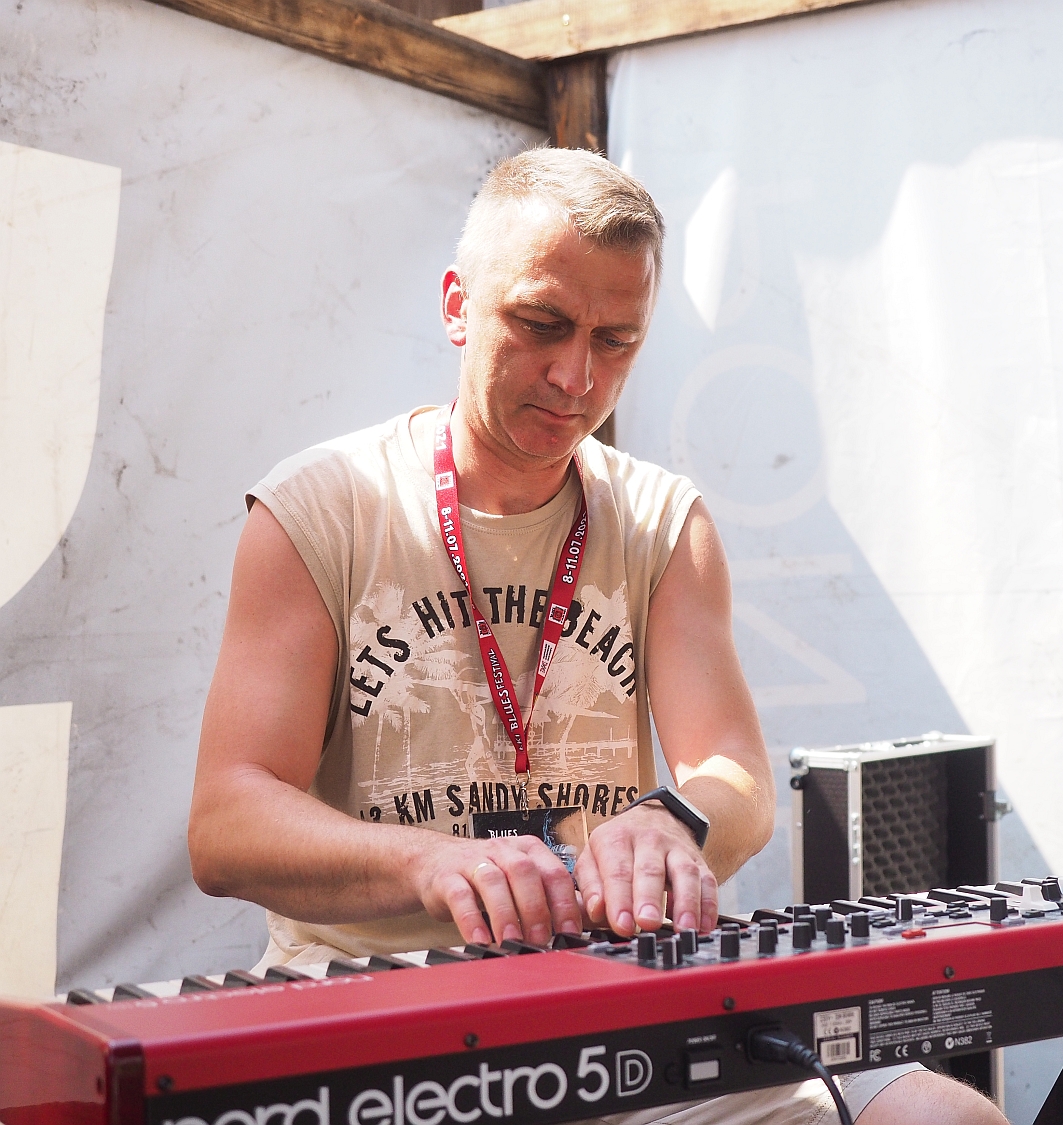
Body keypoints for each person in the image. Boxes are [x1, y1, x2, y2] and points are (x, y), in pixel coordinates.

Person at [189, 147, 1006, 1125]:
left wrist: (674, 819)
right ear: (457, 305)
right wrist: (426, 861)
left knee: (948, 1118)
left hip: (616, 1005)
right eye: (541, 324)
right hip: (379, 1012)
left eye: (616, 341)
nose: (576, 376)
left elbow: (737, 776)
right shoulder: (319, 509)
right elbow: (225, 824)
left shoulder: (662, 520)